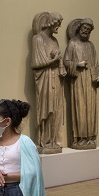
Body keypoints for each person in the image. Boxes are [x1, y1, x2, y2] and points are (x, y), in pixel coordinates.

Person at [31, 12, 66, 154]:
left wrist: (60, 64)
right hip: (44, 79)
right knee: (47, 108)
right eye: (57, 24)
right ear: (50, 22)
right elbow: (36, 63)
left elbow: (58, 58)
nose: (58, 27)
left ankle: (54, 140)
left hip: (56, 78)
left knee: (56, 109)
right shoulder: (38, 39)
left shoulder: (55, 40)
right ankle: (44, 141)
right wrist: (53, 60)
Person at [64, 18, 99, 149]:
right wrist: (77, 65)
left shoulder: (91, 45)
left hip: (90, 81)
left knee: (90, 109)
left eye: (89, 30)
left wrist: (97, 76)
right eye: (84, 28)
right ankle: (79, 138)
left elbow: (96, 63)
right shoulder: (73, 44)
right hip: (78, 80)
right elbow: (66, 62)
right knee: (80, 108)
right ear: (79, 28)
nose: (86, 31)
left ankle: (90, 137)